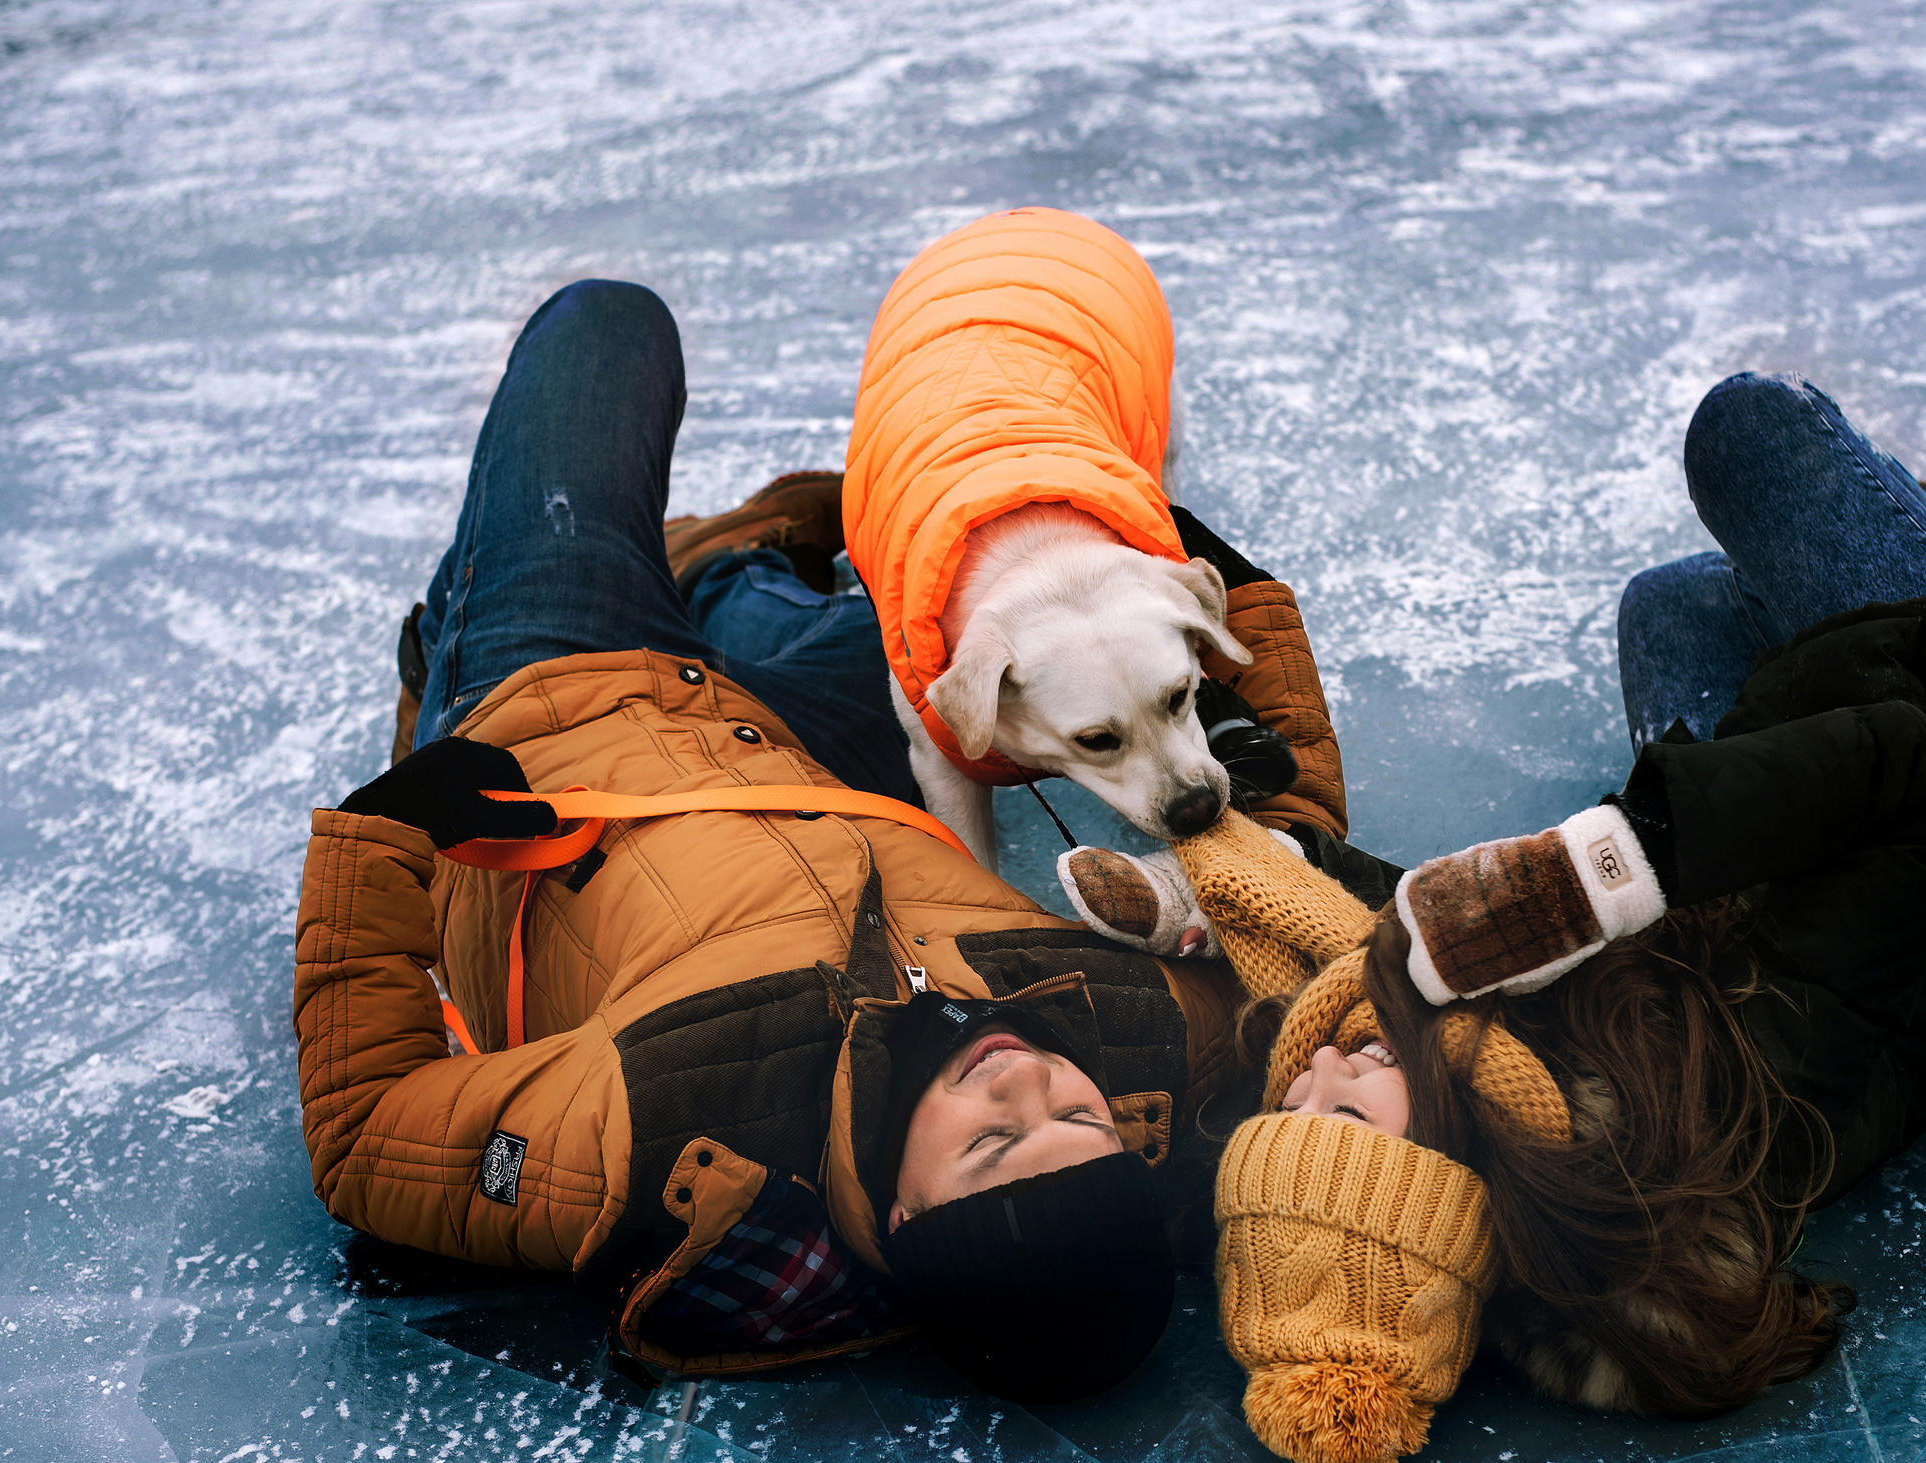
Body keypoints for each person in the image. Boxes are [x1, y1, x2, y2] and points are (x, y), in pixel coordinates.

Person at [1056, 372, 1926, 1463]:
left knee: (1662, 608)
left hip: (1781, 823)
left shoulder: (1494, 1089)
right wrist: (1610, 869)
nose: (1318, 1066)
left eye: (1289, 1105)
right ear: (1442, 1178)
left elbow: (1390, 923)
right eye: (1343, 1112)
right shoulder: (1738, 1105)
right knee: (1744, 433)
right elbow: (1908, 773)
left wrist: (1229, 884)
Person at [292, 279, 1348, 1404]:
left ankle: (486, 617)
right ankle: (725, 574)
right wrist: (1247, 635)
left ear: (902, 1216)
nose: (1025, 1079)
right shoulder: (1141, 1043)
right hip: (816, 756)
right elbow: (1303, 910)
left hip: (569, 701)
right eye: (1078, 1117)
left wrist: (387, 835)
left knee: (607, 328)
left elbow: (366, 1136)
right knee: (965, 593)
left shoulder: (653, 1138)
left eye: (992, 1143)